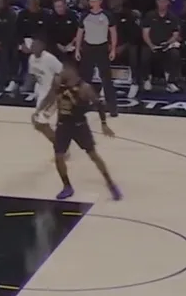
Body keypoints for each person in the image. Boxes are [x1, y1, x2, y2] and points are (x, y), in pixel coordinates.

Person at [34, 66, 121, 201]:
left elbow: (98, 104)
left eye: (64, 70)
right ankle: (67, 186)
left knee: (93, 156)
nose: (60, 72)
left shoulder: (84, 88)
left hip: (79, 126)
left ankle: (110, 184)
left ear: (72, 72)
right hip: (63, 126)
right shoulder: (58, 82)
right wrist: (39, 110)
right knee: (59, 156)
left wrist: (104, 124)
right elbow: (50, 97)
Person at [76, 0, 118, 116]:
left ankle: (112, 107)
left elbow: (113, 33)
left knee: (106, 78)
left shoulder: (107, 15)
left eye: (94, 1)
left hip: (102, 48)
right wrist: (77, 49)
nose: (92, 3)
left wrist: (113, 49)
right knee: (85, 78)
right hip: (88, 47)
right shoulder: (84, 15)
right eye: (90, 1)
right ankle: (82, 105)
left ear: (100, 1)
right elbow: (79, 33)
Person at [26, 38, 65, 148]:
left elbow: (62, 72)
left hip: (53, 94)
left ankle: (61, 147)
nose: (33, 47)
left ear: (42, 46)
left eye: (35, 45)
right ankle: (61, 144)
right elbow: (34, 75)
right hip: (42, 92)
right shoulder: (31, 59)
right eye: (32, 45)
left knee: (40, 123)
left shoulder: (49, 58)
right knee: (37, 124)